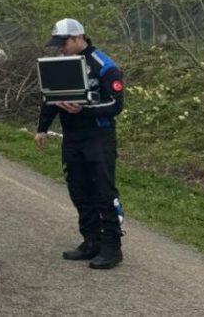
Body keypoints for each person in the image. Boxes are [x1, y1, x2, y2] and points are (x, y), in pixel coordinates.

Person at [34, 18, 125, 270]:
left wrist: (84, 110)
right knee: (79, 190)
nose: (59, 48)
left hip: (99, 137)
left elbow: (116, 105)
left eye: (62, 43)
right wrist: (42, 127)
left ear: (77, 38)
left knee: (103, 192)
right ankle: (91, 241)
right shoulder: (63, 64)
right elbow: (51, 96)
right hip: (72, 138)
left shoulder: (104, 66)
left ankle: (112, 247)